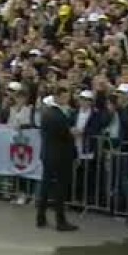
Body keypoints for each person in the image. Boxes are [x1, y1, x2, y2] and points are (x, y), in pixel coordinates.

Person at [37, 87, 78, 231]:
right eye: (65, 97)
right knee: (60, 188)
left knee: (46, 185)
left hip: (48, 154)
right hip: (60, 156)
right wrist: (72, 133)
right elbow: (65, 135)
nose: (68, 100)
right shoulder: (58, 115)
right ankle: (60, 221)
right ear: (58, 97)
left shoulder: (46, 113)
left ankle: (40, 216)